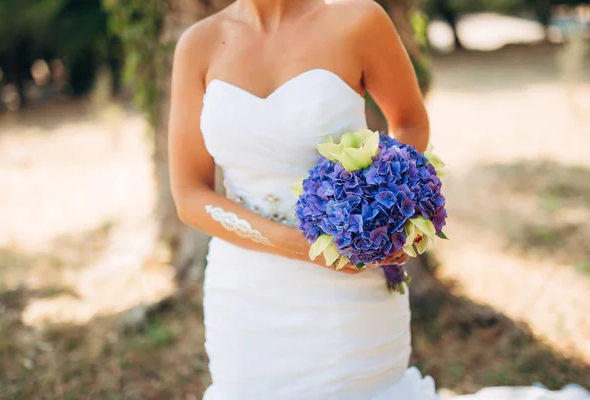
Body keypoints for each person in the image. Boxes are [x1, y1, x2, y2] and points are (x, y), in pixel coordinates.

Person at [167, 0, 590, 398]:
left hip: (349, 284)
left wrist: (387, 210)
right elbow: (190, 195)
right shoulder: (198, 45)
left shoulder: (358, 20)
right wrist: (302, 246)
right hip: (246, 293)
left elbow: (408, 122)